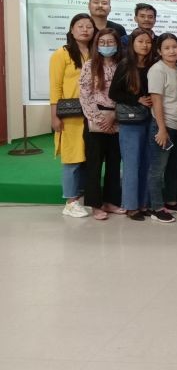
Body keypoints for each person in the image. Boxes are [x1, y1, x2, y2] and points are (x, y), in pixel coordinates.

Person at [50, 13, 96, 218]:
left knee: (87, 156)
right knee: (72, 157)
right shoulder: (62, 54)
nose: (85, 30)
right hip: (71, 115)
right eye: (80, 26)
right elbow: (55, 87)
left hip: (92, 114)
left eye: (89, 26)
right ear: (71, 29)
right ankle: (70, 201)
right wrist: (54, 116)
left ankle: (81, 197)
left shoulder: (95, 53)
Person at [109, 28, 156, 221]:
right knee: (131, 164)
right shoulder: (125, 65)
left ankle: (143, 203)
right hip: (131, 121)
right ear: (132, 44)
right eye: (140, 41)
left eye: (148, 42)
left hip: (150, 120)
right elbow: (114, 93)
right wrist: (137, 99)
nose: (145, 45)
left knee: (147, 163)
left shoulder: (154, 65)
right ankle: (130, 206)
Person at [79, 28, 124, 220]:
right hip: (95, 121)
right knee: (94, 164)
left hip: (118, 119)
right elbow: (85, 95)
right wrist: (100, 119)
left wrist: (114, 115)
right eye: (102, 42)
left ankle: (111, 201)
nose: (107, 45)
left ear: (117, 44)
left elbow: (127, 92)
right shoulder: (90, 65)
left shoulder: (123, 65)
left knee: (114, 163)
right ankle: (96, 205)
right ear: (97, 45)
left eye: (110, 42)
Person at [147, 33, 177, 223]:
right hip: (163, 125)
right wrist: (162, 129)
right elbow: (156, 101)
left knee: (173, 166)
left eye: (174, 47)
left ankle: (170, 200)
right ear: (159, 51)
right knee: (157, 168)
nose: (172, 51)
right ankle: (156, 207)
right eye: (167, 48)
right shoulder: (157, 70)